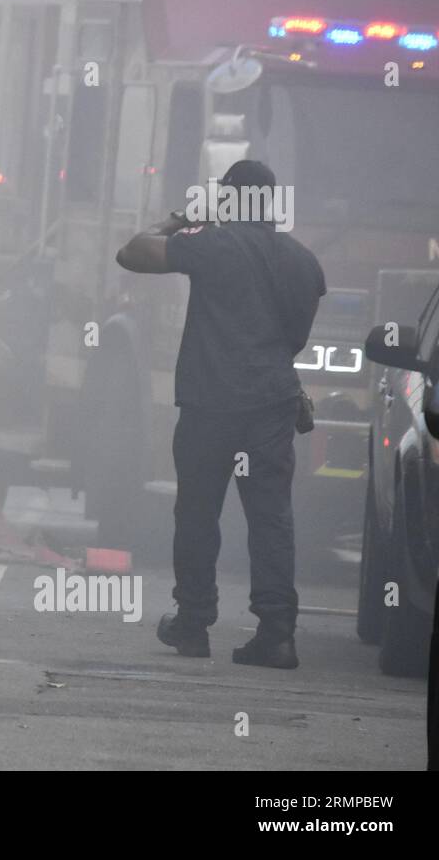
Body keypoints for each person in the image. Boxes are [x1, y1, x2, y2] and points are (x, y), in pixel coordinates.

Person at [115, 160, 325, 669]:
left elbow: (132, 253)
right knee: (271, 518)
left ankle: (193, 624)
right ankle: (277, 635)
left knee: (197, 513)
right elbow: (296, 339)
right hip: (273, 404)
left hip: (211, 402)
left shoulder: (213, 243)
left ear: (229, 201)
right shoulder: (303, 263)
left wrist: (183, 216)